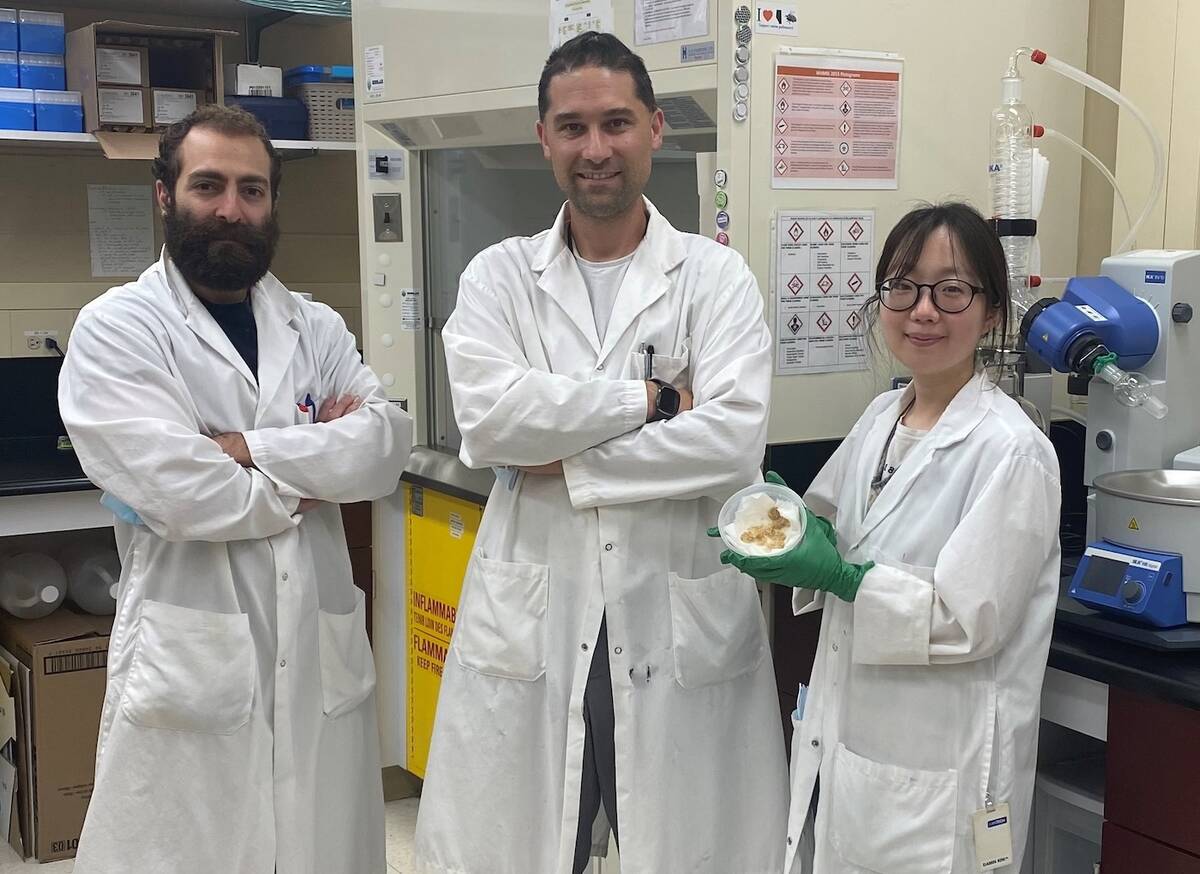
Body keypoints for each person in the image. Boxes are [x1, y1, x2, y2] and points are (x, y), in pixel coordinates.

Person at [414, 31, 787, 874]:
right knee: (521, 845)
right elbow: (491, 427)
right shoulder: (498, 278)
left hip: (677, 617)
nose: (596, 149)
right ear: (543, 138)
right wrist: (651, 403)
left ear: (654, 127)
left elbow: (733, 443)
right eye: (573, 127)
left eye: (616, 123)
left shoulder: (714, 279)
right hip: (535, 618)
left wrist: (567, 461)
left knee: (690, 847)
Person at [58, 105, 412, 874]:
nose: (230, 208)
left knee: (321, 848)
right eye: (208, 185)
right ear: (165, 194)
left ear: (272, 202)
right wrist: (316, 472)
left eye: (252, 190)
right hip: (193, 664)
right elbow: (183, 494)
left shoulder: (314, 326)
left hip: (318, 660)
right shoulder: (119, 329)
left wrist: (248, 450)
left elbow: (384, 451)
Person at [721, 203, 1061, 873]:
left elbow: (969, 621)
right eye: (903, 287)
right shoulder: (883, 415)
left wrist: (845, 579)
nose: (922, 310)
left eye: (951, 290)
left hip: (946, 768)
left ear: (992, 311)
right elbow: (832, 523)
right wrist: (788, 528)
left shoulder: (1011, 450)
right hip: (858, 749)